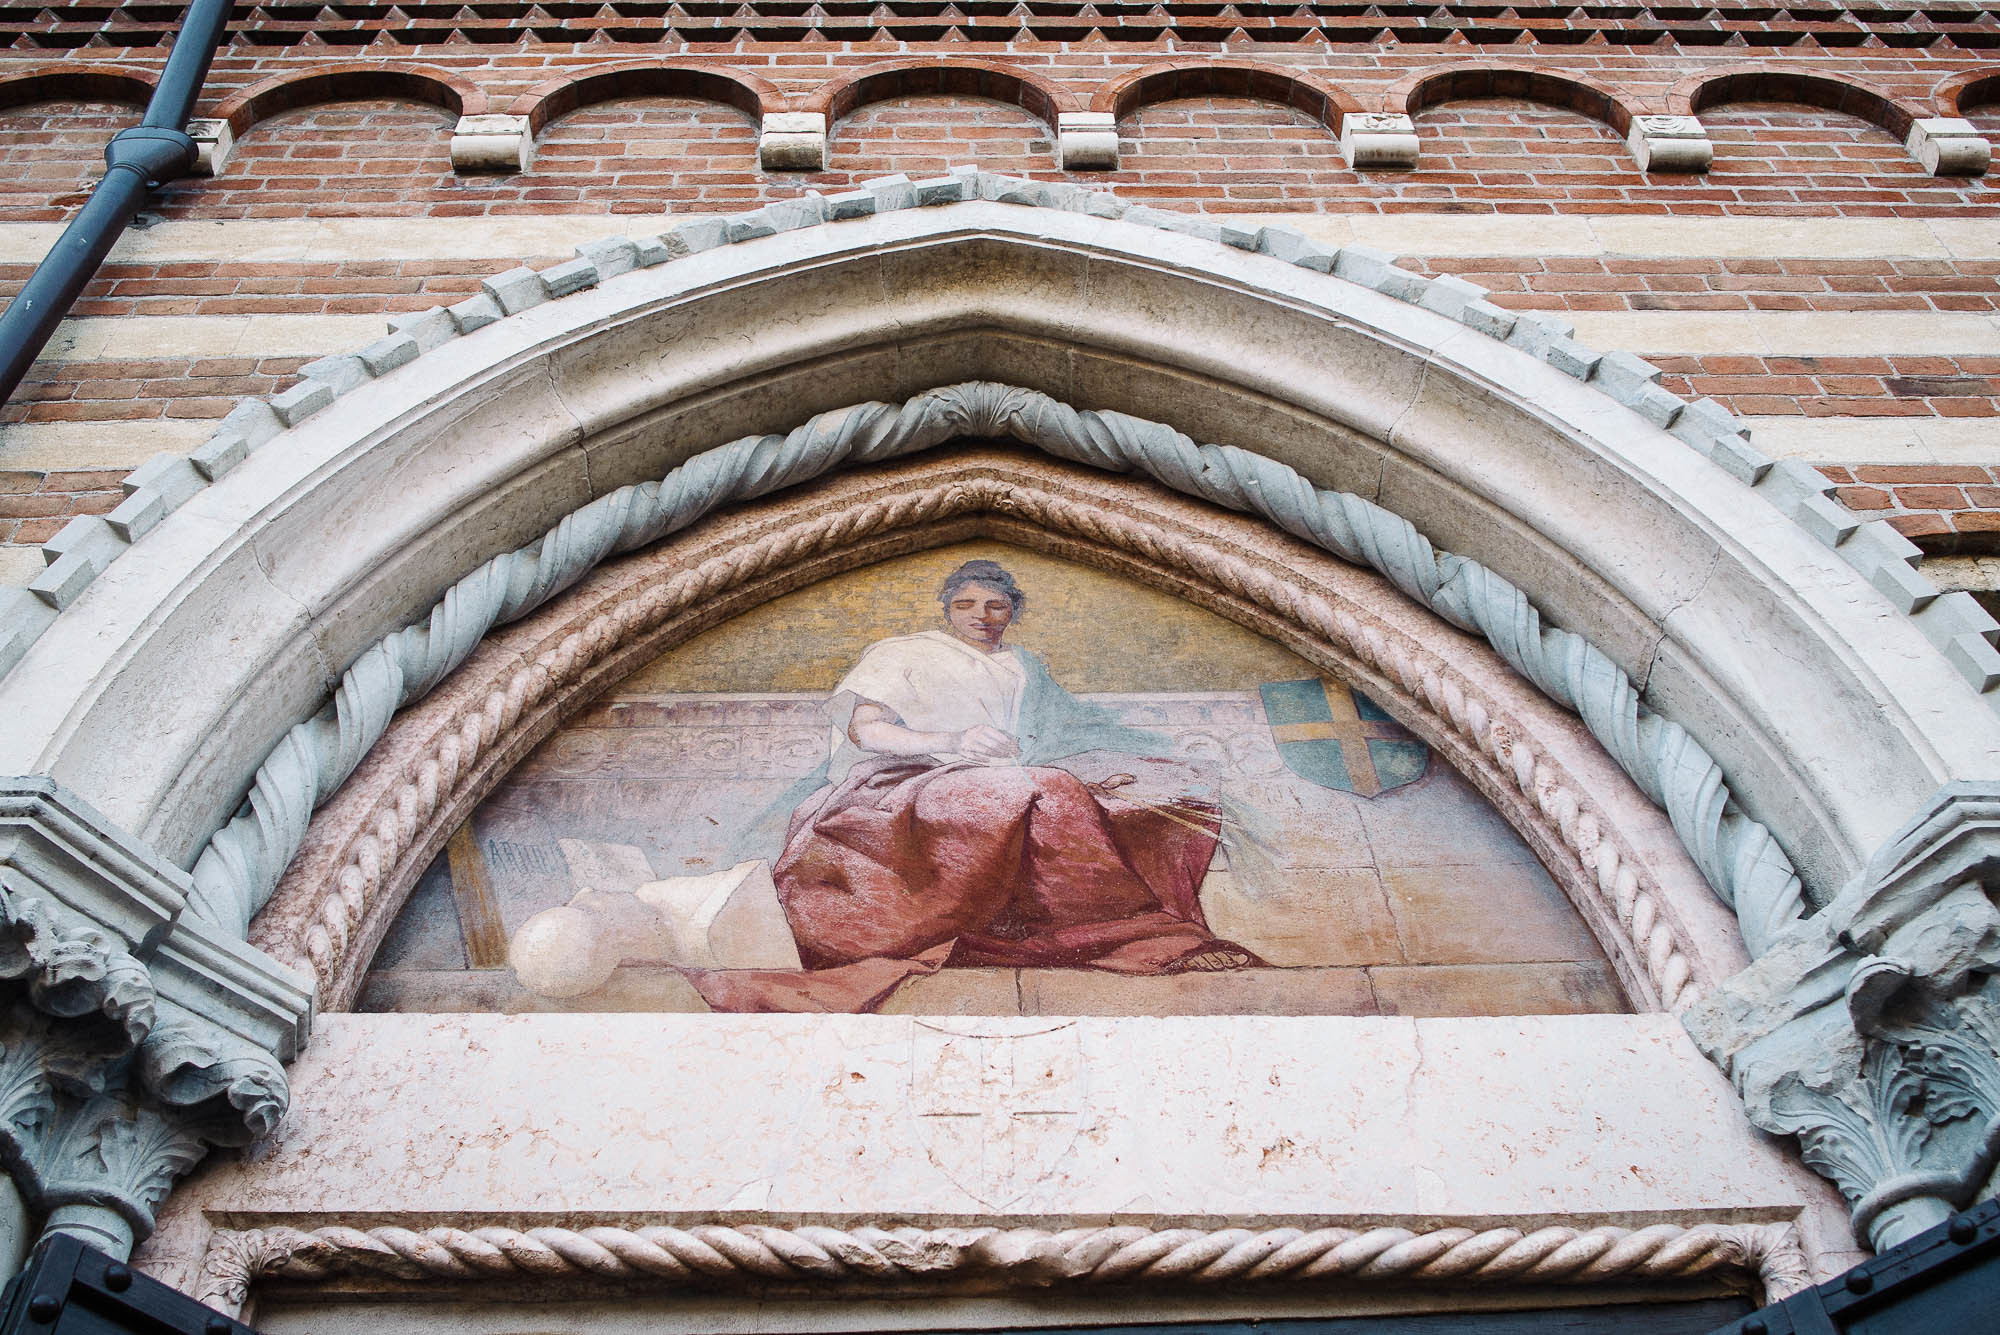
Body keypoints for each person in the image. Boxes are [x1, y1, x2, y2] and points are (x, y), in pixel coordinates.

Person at [764, 559, 1259, 984]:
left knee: (1161, 799)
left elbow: (1047, 741)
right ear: (946, 610)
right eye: (965, 605)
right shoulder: (904, 652)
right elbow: (867, 730)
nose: (980, 616)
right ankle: (1139, 938)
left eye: (994, 606)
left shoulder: (1024, 666)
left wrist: (1090, 781)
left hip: (995, 780)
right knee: (1048, 788)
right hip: (901, 782)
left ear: (1013, 611)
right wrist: (951, 742)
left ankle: (1083, 933)